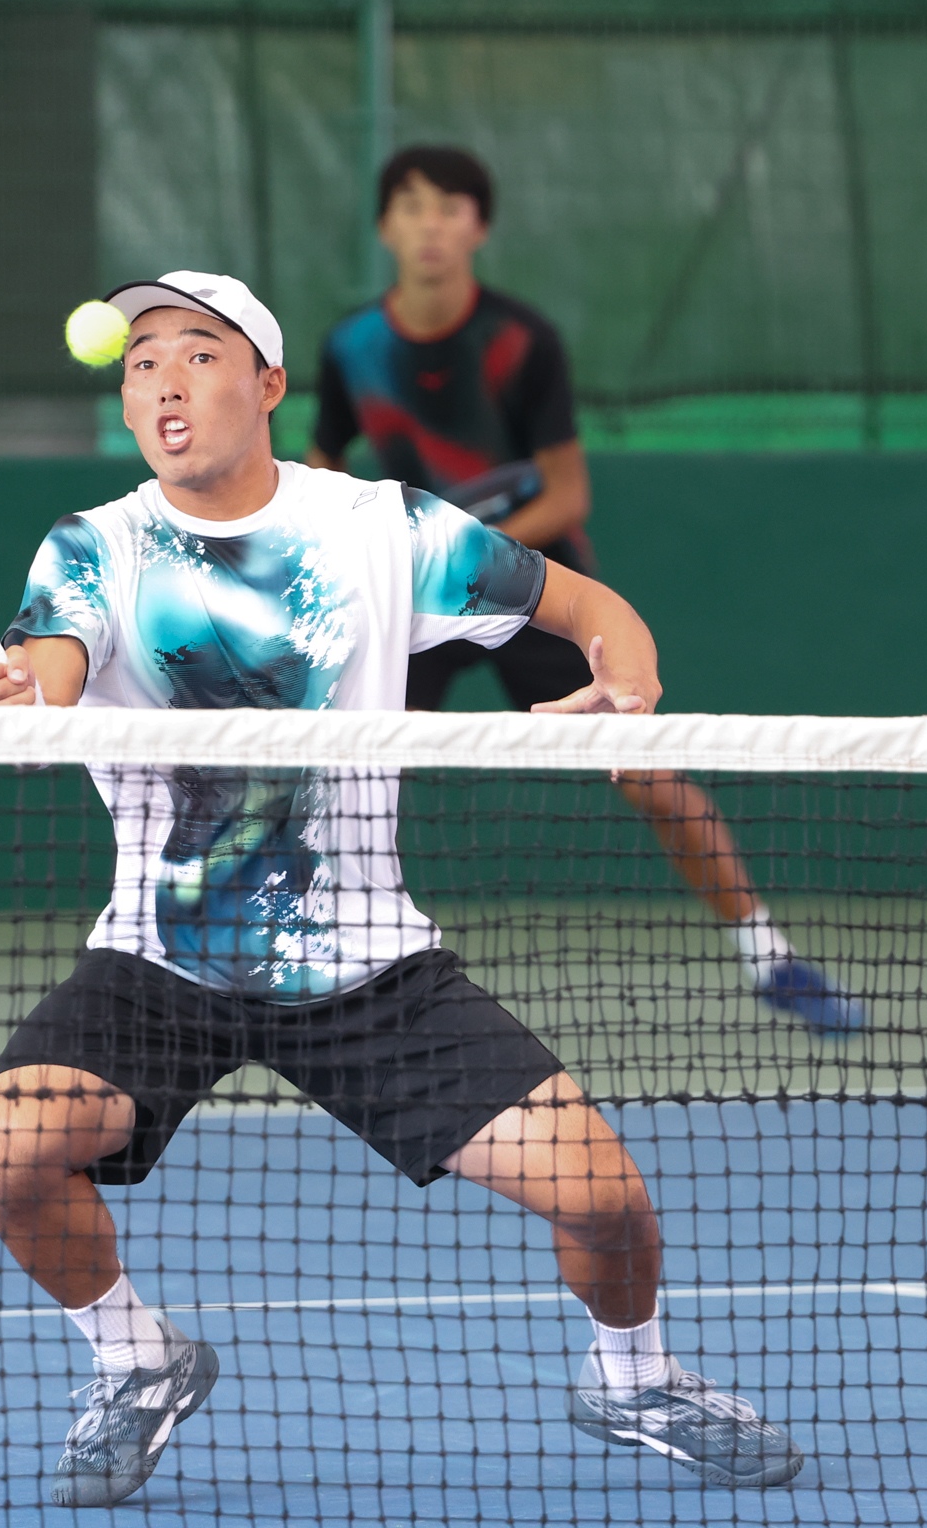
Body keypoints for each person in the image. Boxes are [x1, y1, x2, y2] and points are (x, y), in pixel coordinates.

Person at [0, 270, 804, 1506]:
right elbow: (52, 669)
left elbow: (589, 608)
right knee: (11, 1151)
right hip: (159, 956)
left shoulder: (381, 530)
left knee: (607, 1200)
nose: (165, 380)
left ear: (269, 385)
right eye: (141, 363)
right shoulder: (92, 547)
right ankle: (137, 1359)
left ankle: (635, 1378)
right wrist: (22, 696)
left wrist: (628, 689)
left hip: (367, 961)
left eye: (198, 352)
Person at [305, 145, 862, 1038]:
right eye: (411, 206)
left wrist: (463, 560)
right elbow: (320, 471)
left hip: (530, 582)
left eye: (449, 207)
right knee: (335, 767)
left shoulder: (521, 342)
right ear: (384, 228)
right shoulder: (351, 347)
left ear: (479, 228)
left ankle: (769, 956)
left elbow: (566, 495)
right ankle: (302, 962)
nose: (430, 225)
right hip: (408, 591)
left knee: (643, 766)